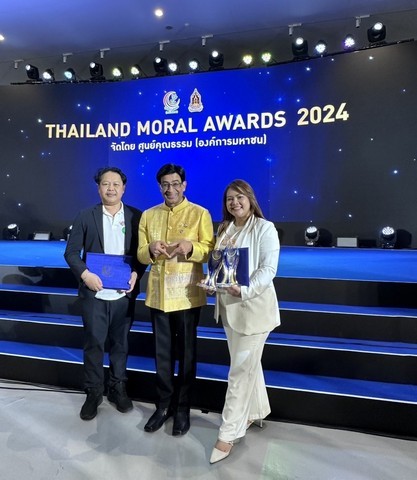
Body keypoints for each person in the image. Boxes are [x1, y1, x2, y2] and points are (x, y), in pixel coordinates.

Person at [137, 163, 214, 436]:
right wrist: (150, 248)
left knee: (187, 355)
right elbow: (140, 254)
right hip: (159, 295)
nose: (170, 189)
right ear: (160, 187)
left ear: (184, 185)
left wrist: (191, 247)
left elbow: (209, 250)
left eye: (175, 184)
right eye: (165, 185)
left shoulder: (200, 213)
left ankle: (182, 408)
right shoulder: (148, 215)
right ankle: (163, 406)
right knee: (162, 355)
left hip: (187, 294)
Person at [209, 179, 280, 464]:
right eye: (229, 199)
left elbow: (268, 269)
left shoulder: (265, 228)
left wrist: (245, 290)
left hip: (254, 311)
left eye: (239, 197)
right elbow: (221, 268)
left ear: (250, 199)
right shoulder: (224, 229)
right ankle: (255, 412)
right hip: (229, 311)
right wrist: (212, 284)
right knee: (249, 365)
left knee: (239, 372)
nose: (234, 202)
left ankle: (228, 433)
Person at [64, 166, 144, 421]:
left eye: (115, 184)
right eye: (105, 184)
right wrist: (85, 275)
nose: (111, 188)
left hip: (123, 295)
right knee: (94, 344)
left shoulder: (136, 217)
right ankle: (93, 392)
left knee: (121, 345)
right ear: (98, 188)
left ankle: (118, 388)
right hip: (94, 294)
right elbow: (71, 253)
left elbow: (141, 255)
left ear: (124, 188)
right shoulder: (85, 216)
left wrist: (136, 273)